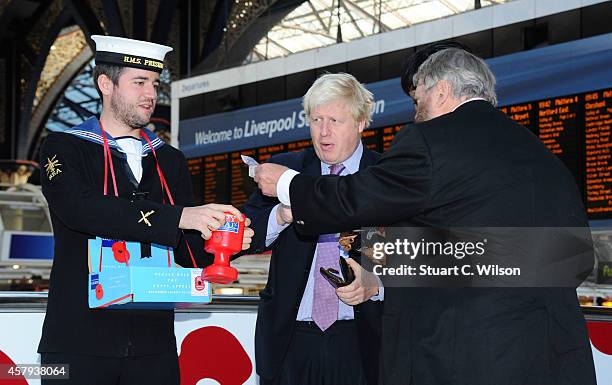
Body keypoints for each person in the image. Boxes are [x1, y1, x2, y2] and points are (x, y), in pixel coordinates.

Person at [255, 47, 596, 385]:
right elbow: (576, 259)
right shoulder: (544, 157)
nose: (416, 114)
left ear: (443, 91)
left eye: (418, 101)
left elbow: (356, 199)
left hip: (466, 357)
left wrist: (288, 184)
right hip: (553, 357)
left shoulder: (431, 141)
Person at [37, 35, 253, 385]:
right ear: (106, 84)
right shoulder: (64, 147)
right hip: (77, 344)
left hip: (154, 350)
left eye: (154, 83)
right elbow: (81, 210)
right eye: (139, 82)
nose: (151, 94)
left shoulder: (170, 159)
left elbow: (188, 253)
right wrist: (180, 216)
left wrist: (228, 242)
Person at [243, 73, 383, 385]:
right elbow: (245, 234)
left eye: (335, 119)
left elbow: (411, 250)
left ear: (361, 122)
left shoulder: (385, 175)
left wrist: (376, 282)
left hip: (362, 342)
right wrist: (280, 214)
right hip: (290, 341)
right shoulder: (284, 170)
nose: (323, 132)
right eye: (316, 119)